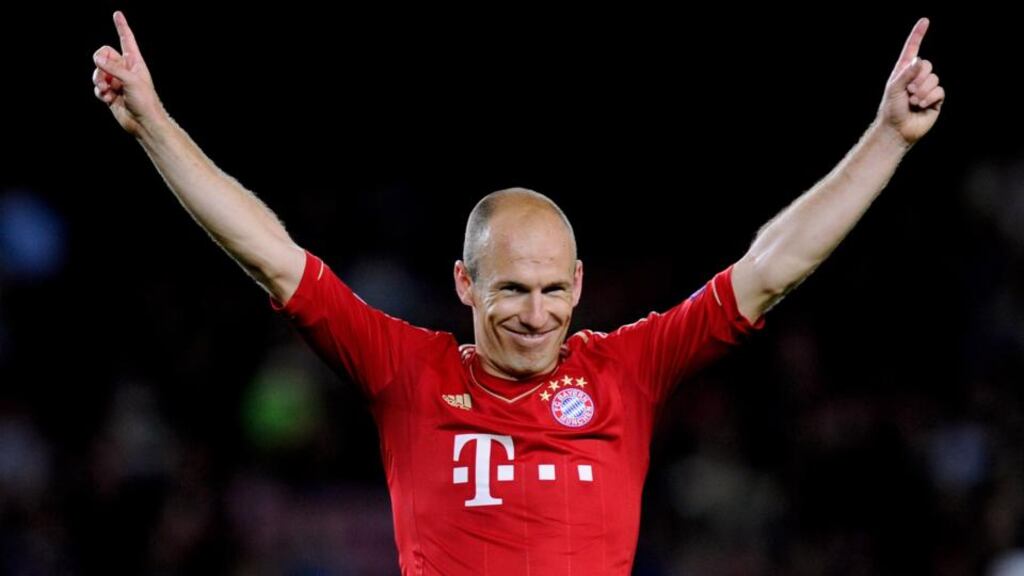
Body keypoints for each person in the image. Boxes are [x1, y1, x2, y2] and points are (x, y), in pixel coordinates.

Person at [92, 11, 944, 575]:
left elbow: (772, 267)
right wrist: (156, 127)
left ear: (579, 286)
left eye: (550, 289)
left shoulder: (628, 370)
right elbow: (272, 256)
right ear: (463, 284)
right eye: (509, 289)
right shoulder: (406, 372)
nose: (534, 315)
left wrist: (886, 139)